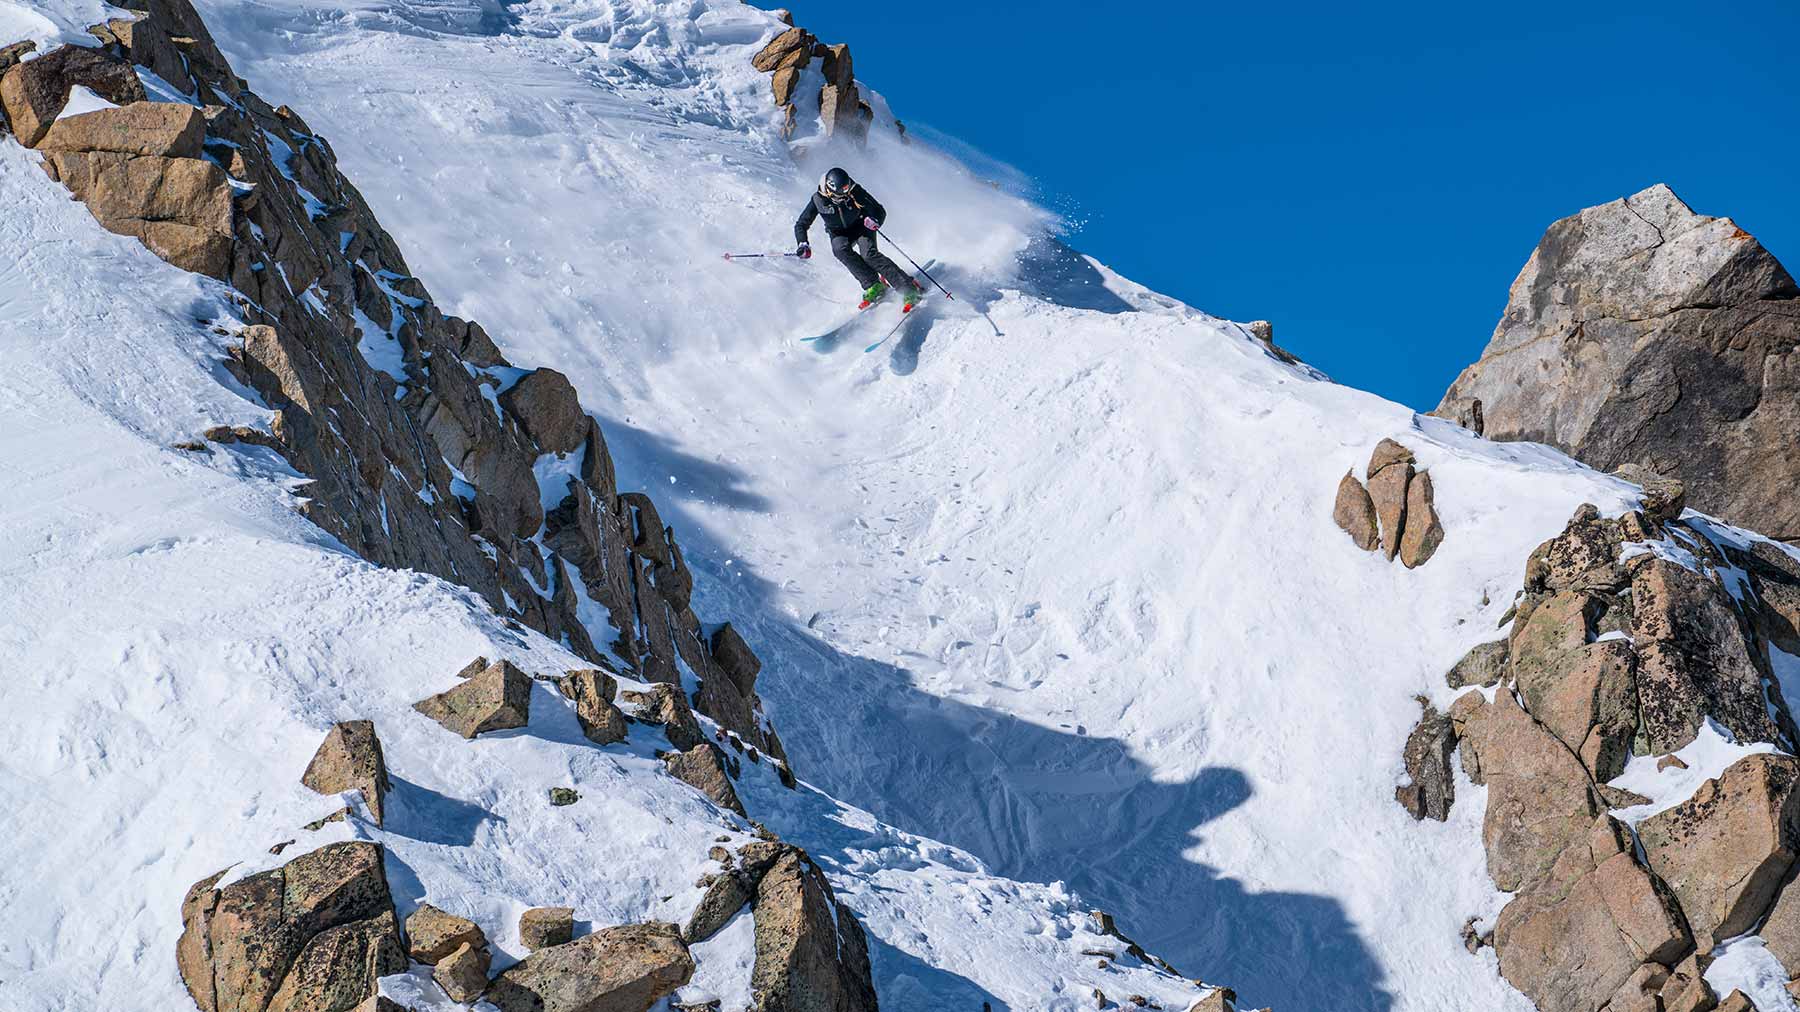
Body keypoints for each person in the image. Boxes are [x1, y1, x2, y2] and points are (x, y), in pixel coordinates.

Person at [795, 167, 923, 309]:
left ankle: (907, 287)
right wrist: (802, 243)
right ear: (829, 191)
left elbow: (878, 210)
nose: (844, 197)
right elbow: (801, 224)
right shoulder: (817, 200)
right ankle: (873, 284)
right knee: (839, 249)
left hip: (861, 225)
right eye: (839, 196)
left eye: (846, 193)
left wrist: (875, 220)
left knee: (869, 255)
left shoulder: (854, 190)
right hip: (839, 233)